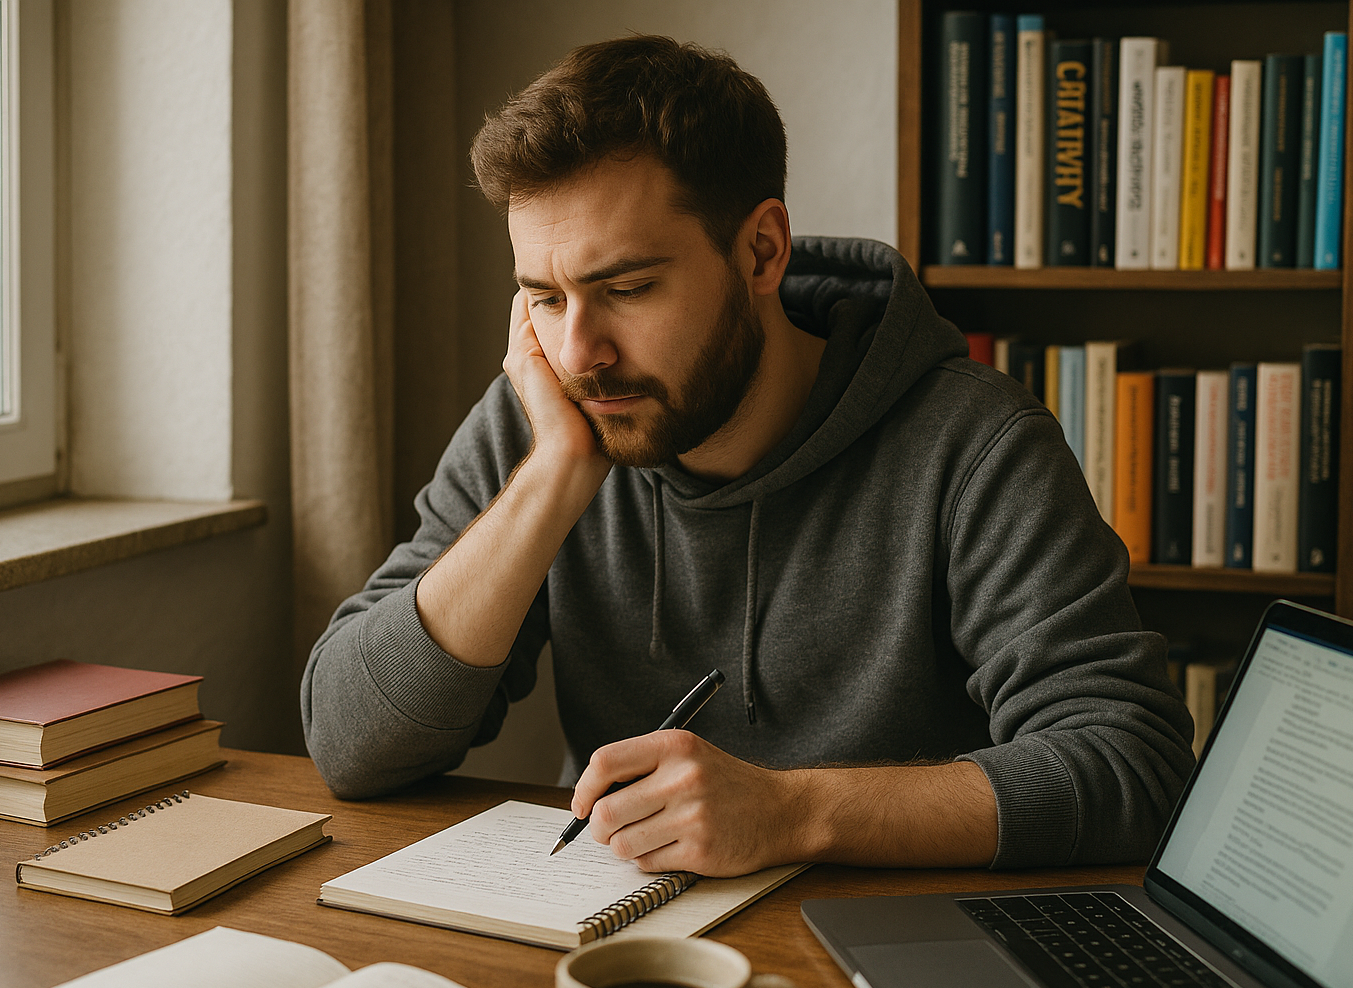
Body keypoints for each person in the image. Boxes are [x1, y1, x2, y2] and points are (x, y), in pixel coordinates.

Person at [301, 35, 1194, 876]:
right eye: (542, 297)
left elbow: (1133, 767)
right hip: (624, 952)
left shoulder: (970, 443)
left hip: (891, 955)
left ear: (761, 251)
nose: (577, 353)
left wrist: (791, 812)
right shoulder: (546, 417)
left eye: (629, 288)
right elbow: (349, 743)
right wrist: (553, 481)